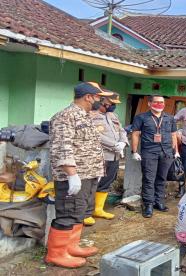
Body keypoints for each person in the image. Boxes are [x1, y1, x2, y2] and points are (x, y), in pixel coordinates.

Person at [46, 82, 112, 268]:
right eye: (100, 97)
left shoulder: (85, 116)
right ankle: (56, 254)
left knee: (79, 212)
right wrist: (71, 174)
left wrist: (97, 170)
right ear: (88, 97)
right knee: (68, 213)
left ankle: (71, 246)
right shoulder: (65, 116)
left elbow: (88, 145)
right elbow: (62, 147)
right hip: (73, 176)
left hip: (88, 174)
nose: (102, 101)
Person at [131, 95, 179, 218]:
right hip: (149, 152)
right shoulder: (141, 117)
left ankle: (159, 202)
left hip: (167, 152)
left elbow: (174, 135)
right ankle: (148, 204)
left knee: (162, 179)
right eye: (156, 102)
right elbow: (135, 134)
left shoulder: (170, 118)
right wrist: (134, 151)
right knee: (149, 179)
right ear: (149, 104)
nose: (159, 104)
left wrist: (176, 151)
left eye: (161, 102)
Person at [85, 92, 128, 225]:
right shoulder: (90, 116)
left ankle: (98, 209)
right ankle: (86, 213)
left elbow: (122, 131)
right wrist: (113, 144)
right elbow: (95, 134)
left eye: (114, 104)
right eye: (110, 104)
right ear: (102, 102)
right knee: (91, 184)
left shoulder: (113, 115)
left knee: (106, 183)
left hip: (114, 156)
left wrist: (123, 142)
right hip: (99, 155)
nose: (112, 106)